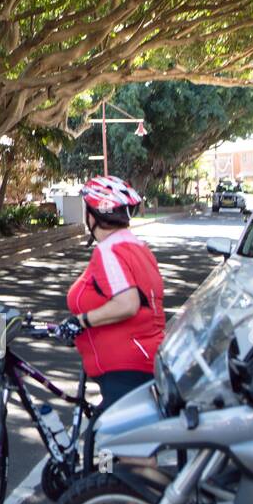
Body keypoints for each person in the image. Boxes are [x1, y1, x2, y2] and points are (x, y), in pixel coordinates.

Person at [55, 175, 165, 410]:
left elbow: (127, 303)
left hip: (125, 368)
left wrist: (80, 322)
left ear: (94, 216)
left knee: (106, 442)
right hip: (146, 359)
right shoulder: (138, 247)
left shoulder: (109, 250)